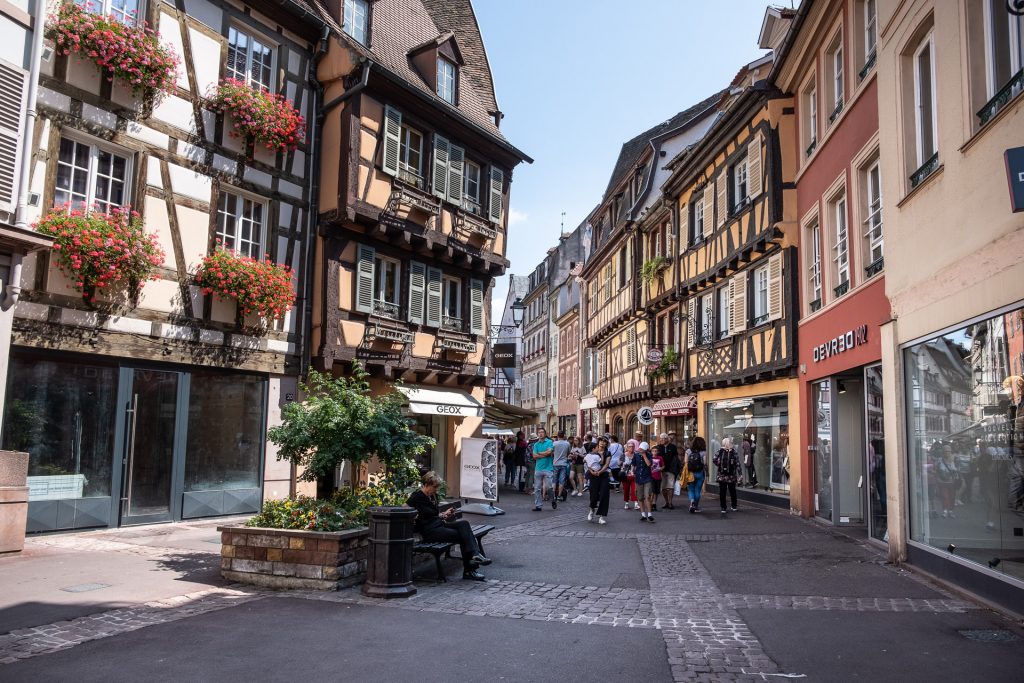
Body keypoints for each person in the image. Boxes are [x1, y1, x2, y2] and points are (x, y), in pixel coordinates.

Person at [406, 471, 490, 581]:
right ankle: (470, 569)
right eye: (434, 487)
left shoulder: (432, 496)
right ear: (426, 484)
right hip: (430, 531)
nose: (436, 489)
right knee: (463, 536)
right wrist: (412, 516)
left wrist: (444, 515)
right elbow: (404, 507)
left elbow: (433, 515)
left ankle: (475, 555)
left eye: (437, 487)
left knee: (464, 524)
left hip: (440, 525)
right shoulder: (416, 497)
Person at [584, 436, 611, 524]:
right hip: (593, 475)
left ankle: (602, 516)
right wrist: (591, 471)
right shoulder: (593, 451)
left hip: (603, 475)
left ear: (607, 443)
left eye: (605, 442)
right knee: (593, 494)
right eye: (601, 441)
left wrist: (600, 472)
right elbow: (588, 462)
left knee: (604, 495)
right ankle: (592, 510)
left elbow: (606, 464)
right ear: (598, 442)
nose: (603, 443)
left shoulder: (607, 452)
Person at [714, 437, 740, 514]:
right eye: (730, 443)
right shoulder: (734, 452)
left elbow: (714, 460)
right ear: (728, 444)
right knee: (732, 491)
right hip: (731, 476)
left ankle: (723, 508)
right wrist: (740, 474)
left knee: (722, 492)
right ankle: (734, 506)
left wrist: (719, 465)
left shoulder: (719, 451)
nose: (731, 444)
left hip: (721, 475)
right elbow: (737, 463)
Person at [532, 428, 555, 511]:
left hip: (548, 468)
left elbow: (549, 452)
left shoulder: (549, 442)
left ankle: (553, 499)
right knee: (537, 488)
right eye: (539, 432)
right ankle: (538, 505)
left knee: (549, 487)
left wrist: (539, 454)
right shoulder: (536, 444)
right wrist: (545, 454)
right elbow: (534, 456)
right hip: (538, 468)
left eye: (542, 432)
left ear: (545, 434)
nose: (540, 434)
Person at [686, 436, 707, 513]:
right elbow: (705, 463)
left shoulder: (688, 451)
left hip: (690, 473)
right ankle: (696, 506)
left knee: (691, 489)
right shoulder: (703, 452)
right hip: (700, 473)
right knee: (697, 490)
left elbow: (685, 462)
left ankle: (692, 502)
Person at [634, 441, 655, 522]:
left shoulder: (649, 455)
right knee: (640, 497)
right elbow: (634, 465)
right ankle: (643, 514)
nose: (640, 450)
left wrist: (644, 455)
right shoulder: (636, 455)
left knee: (647, 496)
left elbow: (649, 464)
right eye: (640, 448)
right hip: (638, 478)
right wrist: (633, 471)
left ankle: (649, 514)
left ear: (646, 450)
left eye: (642, 449)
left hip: (647, 478)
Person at [660, 433, 681, 510]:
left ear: (666, 439)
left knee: (670, 487)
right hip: (662, 470)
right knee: (663, 488)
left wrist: (677, 469)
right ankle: (666, 502)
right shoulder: (659, 447)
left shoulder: (673, 447)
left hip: (671, 470)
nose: (661, 440)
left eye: (662, 439)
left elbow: (676, 458)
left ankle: (670, 502)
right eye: (660, 439)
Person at [551, 431, 571, 504]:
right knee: (561, 480)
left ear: (558, 436)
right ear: (564, 436)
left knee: (554, 480)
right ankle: (559, 496)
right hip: (564, 463)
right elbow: (569, 452)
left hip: (555, 463)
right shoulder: (567, 443)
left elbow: (551, 452)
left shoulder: (554, 443)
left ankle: (553, 495)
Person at [620, 440, 638, 509]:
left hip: (634, 475)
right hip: (625, 475)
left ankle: (636, 503)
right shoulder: (623, 455)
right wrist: (623, 464)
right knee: (626, 490)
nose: (632, 448)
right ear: (627, 447)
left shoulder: (636, 455)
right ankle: (626, 502)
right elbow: (619, 464)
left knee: (635, 489)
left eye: (633, 447)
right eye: (630, 447)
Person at [650, 444, 664, 512]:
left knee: (656, 492)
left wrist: (661, 468)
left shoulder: (660, 458)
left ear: (658, 452)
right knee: (652, 491)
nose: (655, 452)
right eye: (653, 451)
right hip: (651, 476)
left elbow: (663, 466)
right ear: (651, 452)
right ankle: (650, 504)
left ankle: (654, 504)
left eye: (656, 451)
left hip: (658, 476)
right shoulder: (650, 458)